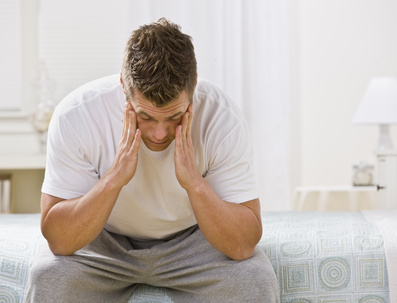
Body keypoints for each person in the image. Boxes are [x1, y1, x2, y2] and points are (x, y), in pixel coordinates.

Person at [26, 18, 280, 302]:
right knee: (48, 277)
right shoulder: (76, 114)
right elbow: (59, 240)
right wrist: (114, 178)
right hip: (103, 242)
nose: (160, 133)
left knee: (254, 279)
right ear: (123, 85)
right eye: (145, 116)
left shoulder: (222, 118)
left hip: (195, 240)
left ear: (193, 85)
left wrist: (195, 184)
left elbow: (244, 244)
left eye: (174, 117)